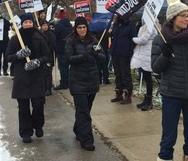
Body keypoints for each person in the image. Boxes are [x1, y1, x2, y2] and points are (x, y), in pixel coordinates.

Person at [151, 0, 188, 161]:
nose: (186, 19)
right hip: (172, 95)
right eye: (183, 16)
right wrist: (165, 55)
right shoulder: (160, 40)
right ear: (173, 18)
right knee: (168, 137)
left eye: (187, 16)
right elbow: (155, 68)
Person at [6, 13, 49, 143]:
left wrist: (37, 62)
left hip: (37, 77)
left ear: (33, 23)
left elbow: (47, 56)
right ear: (22, 24)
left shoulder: (40, 37)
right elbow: (8, 56)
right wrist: (19, 55)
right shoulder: (15, 40)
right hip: (21, 77)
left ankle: (38, 125)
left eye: (30, 22)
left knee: (38, 104)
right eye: (26, 22)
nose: (28, 24)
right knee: (23, 107)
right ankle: (26, 132)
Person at [65, 17, 105, 151]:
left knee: (86, 109)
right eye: (79, 27)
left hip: (92, 80)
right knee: (83, 112)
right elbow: (69, 59)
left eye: (84, 27)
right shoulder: (70, 41)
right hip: (77, 81)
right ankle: (87, 140)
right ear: (75, 29)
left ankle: (78, 129)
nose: (82, 30)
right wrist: (83, 57)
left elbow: (103, 58)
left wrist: (96, 54)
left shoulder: (94, 41)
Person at [131, 18, 158, 111]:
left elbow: (144, 40)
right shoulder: (144, 27)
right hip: (143, 56)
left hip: (148, 56)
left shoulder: (150, 27)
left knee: (148, 79)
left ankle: (149, 101)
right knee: (146, 78)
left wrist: (133, 39)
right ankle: (146, 99)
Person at [110, 15, 136, 104]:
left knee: (125, 73)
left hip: (124, 52)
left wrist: (130, 51)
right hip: (115, 51)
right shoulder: (116, 24)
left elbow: (133, 38)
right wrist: (109, 32)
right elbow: (113, 35)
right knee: (117, 73)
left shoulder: (130, 25)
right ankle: (119, 93)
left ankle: (127, 94)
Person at [53, 17, 73, 90]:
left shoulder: (59, 26)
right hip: (69, 49)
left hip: (60, 49)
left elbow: (54, 35)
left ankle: (64, 82)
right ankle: (68, 82)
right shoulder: (70, 26)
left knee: (62, 67)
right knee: (67, 67)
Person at [40, 19, 56, 96]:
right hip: (42, 56)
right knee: (43, 72)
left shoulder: (51, 34)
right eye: (43, 25)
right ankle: (44, 87)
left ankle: (48, 89)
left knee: (48, 72)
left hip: (49, 56)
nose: (45, 26)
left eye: (46, 25)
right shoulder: (40, 34)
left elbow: (53, 45)